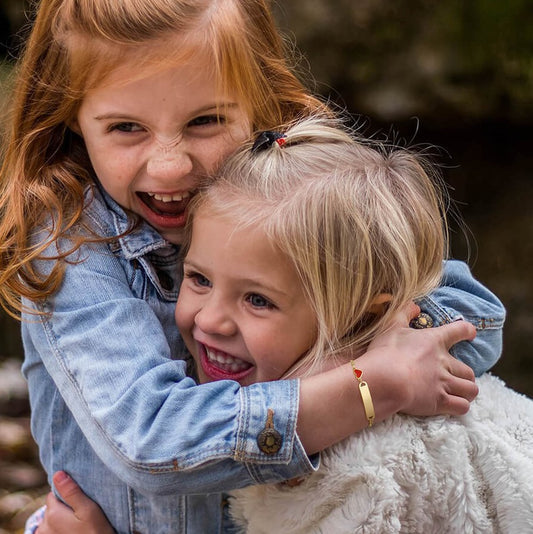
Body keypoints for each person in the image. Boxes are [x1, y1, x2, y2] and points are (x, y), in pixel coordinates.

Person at [0, 1, 503, 532]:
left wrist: (334, 360)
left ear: (259, 104)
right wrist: (367, 387)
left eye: (205, 121)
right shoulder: (69, 242)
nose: (170, 165)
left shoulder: (291, 200)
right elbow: (151, 440)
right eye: (126, 127)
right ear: (72, 122)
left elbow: (473, 316)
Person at [35, 116, 531, 533]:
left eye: (257, 300)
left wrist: (359, 377)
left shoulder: (376, 469)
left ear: (366, 316)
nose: (209, 319)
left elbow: (471, 312)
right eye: (198, 278)